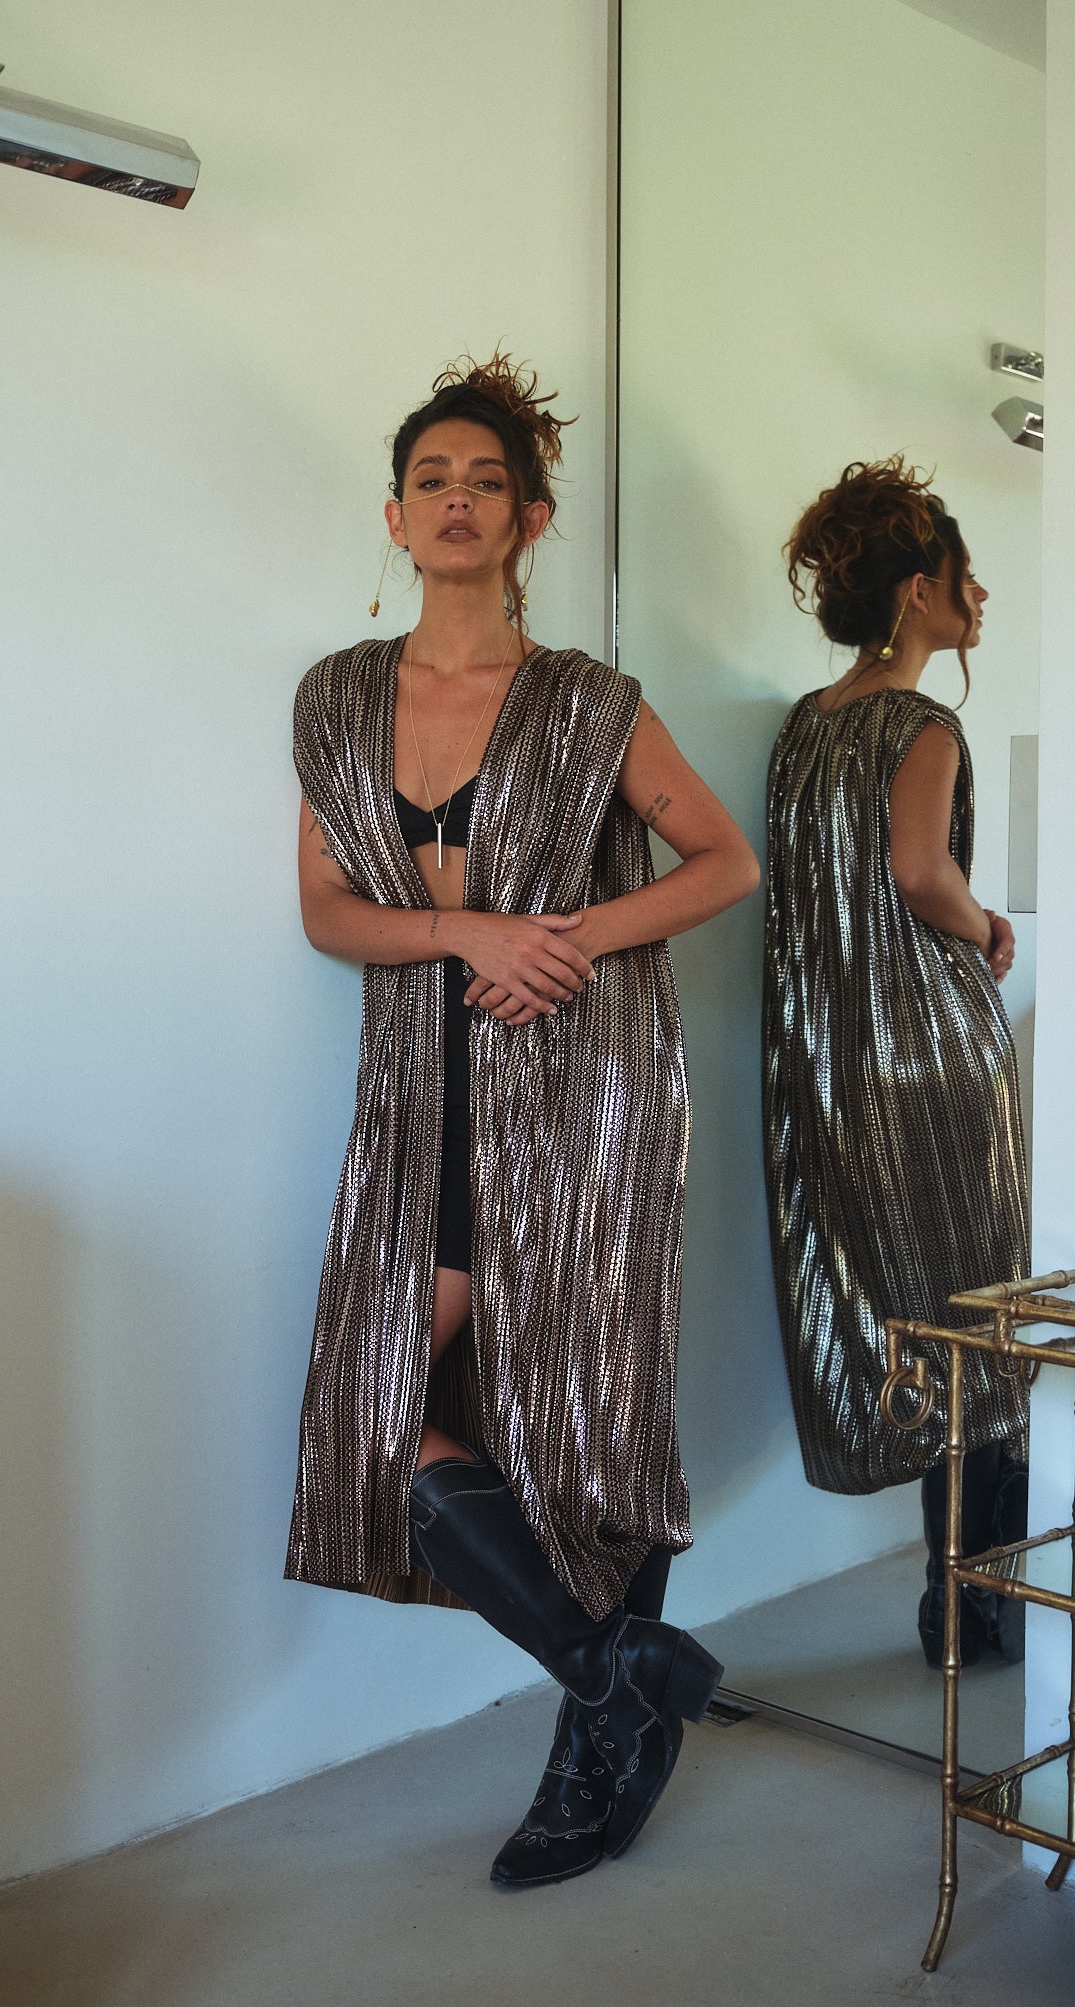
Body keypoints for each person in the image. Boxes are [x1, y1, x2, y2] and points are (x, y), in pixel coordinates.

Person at [288, 353, 760, 1885]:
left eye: (486, 482)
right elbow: (328, 911)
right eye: (431, 480)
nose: (457, 501)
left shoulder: (588, 704)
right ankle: (618, 1678)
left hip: (584, 1097)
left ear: (529, 518)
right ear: (394, 514)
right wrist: (463, 934)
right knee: (375, 1411)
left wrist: (565, 937)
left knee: (588, 1419)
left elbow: (724, 864)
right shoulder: (338, 697)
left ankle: (589, 1758)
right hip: (418, 1099)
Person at [763, 456, 1030, 1669]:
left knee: (903, 1317)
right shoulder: (925, 724)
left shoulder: (803, 726)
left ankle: (955, 1598)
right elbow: (923, 874)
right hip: (932, 1055)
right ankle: (972, 1604)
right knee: (983, 1316)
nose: (982, 594)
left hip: (830, 1066)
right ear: (920, 590)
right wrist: (989, 924)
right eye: (968, 575)